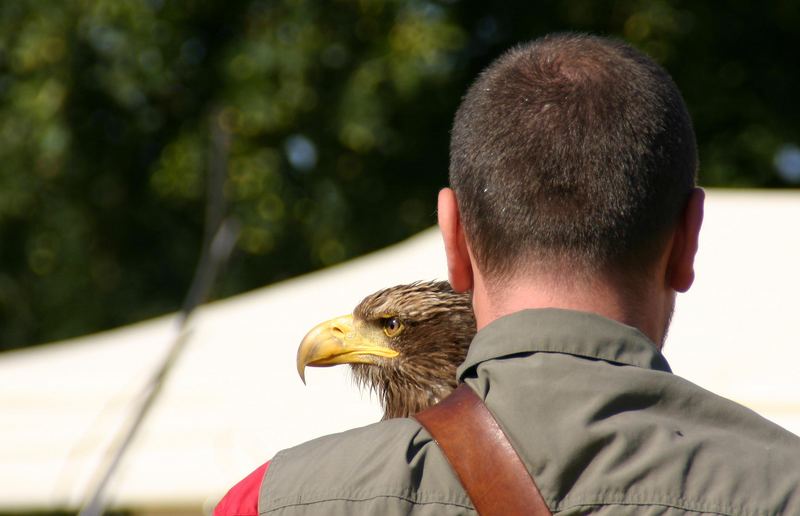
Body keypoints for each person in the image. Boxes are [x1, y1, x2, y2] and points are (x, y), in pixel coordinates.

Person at [215, 33, 800, 515]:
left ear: (455, 240)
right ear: (689, 239)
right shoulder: (781, 485)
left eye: (391, 327)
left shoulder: (272, 501)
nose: (336, 336)